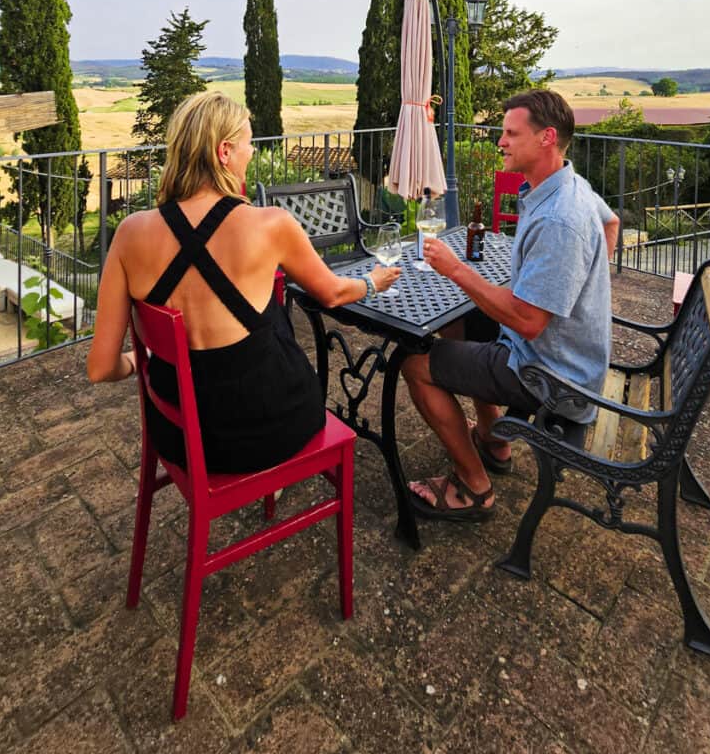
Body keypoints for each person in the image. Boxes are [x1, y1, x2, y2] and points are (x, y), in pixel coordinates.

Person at [87, 92, 400, 473]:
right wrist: (372, 282)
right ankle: (273, 477)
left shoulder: (129, 233)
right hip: (265, 432)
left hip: (177, 438)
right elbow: (333, 292)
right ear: (224, 151)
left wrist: (142, 360)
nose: (251, 153)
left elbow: (100, 368)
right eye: (248, 143)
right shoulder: (270, 224)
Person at [403, 89, 619, 522]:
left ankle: (473, 487)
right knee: (462, 323)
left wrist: (455, 269)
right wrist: (581, 287)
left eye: (510, 133)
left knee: (413, 362)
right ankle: (492, 439)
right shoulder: (568, 185)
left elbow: (528, 321)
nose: (500, 141)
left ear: (547, 138)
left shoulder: (559, 218)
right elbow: (611, 222)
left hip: (553, 377)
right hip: (568, 359)